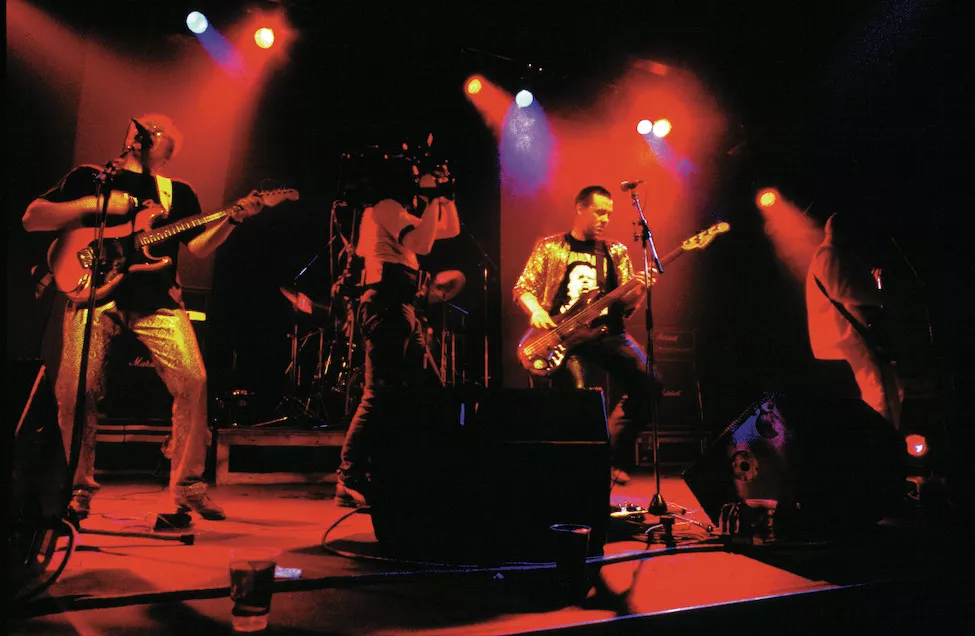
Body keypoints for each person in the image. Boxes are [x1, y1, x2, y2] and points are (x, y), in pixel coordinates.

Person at [21, 114, 267, 521]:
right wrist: (97, 204)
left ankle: (188, 486)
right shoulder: (92, 178)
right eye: (144, 125)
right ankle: (76, 489)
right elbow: (33, 217)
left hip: (157, 299)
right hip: (91, 294)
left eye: (158, 128)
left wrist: (233, 218)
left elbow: (200, 246)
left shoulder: (176, 193)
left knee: (194, 380)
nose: (147, 128)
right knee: (75, 389)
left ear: (168, 150)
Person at [334, 161, 460, 507]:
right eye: (416, 175)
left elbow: (449, 230)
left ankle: (409, 469)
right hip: (385, 302)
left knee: (423, 388)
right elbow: (422, 245)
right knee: (378, 392)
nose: (420, 180)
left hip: (400, 304)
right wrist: (432, 198)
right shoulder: (386, 207)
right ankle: (349, 476)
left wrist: (445, 199)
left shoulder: (397, 212)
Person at [513, 185, 654, 485]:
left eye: (609, 214)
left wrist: (641, 289)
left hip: (607, 333)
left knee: (650, 383)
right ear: (580, 208)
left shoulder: (615, 251)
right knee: (577, 401)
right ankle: (572, 475)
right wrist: (536, 311)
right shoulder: (551, 247)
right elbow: (523, 287)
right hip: (564, 339)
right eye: (599, 212)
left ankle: (609, 457)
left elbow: (626, 304)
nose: (605, 219)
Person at [806, 212, 903, 428]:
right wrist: (884, 297)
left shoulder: (830, 255)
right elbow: (845, 291)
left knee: (889, 390)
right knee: (879, 392)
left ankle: (888, 436)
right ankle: (884, 440)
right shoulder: (828, 255)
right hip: (848, 337)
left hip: (853, 336)